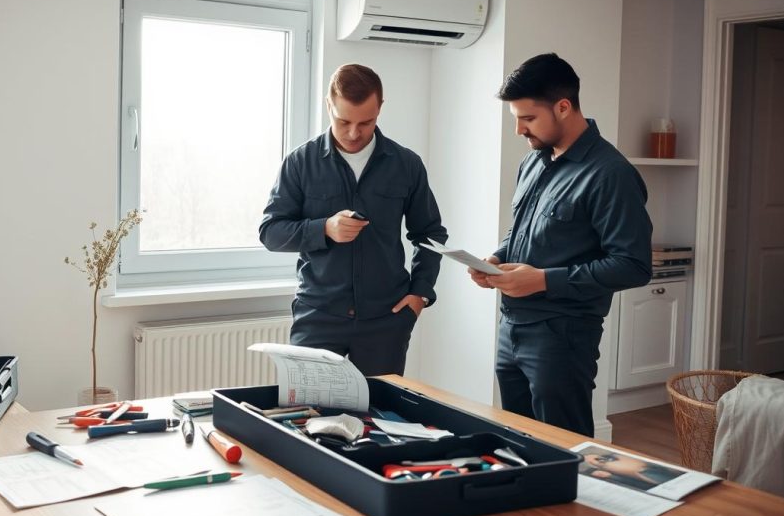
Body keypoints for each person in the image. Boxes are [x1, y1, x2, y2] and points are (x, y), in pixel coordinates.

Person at [469, 53, 652, 436]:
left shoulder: (611, 174)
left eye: (528, 118)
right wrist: (497, 258)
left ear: (564, 107)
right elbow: (523, 231)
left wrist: (543, 281)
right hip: (511, 326)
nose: (519, 130)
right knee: (517, 441)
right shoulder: (533, 162)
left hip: (563, 337)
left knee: (565, 449)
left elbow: (633, 265)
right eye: (515, 118)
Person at [260, 63, 447, 376]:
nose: (353, 133)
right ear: (328, 105)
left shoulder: (407, 165)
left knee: (378, 419)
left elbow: (430, 233)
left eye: (367, 122)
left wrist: (421, 294)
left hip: (386, 320)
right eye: (343, 120)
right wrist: (325, 228)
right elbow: (271, 232)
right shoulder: (299, 163)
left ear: (380, 108)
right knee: (308, 417)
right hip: (318, 315)